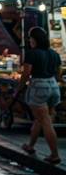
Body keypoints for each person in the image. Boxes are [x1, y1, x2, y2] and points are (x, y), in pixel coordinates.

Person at [16, 27, 61, 165]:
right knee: (41, 118)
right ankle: (31, 145)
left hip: (39, 86)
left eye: (30, 38)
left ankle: (54, 154)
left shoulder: (31, 53)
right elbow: (58, 73)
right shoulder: (54, 53)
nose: (29, 40)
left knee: (46, 122)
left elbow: (26, 74)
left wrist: (19, 88)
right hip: (53, 86)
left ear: (34, 40)